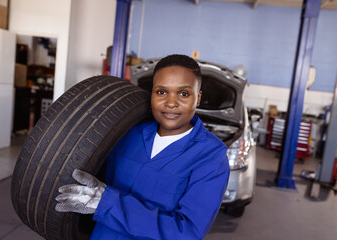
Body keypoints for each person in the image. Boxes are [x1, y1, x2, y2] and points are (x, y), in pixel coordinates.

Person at [55, 54, 230, 239]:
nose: (171, 103)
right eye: (161, 92)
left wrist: (107, 203)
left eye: (184, 94)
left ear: (198, 98)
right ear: (152, 93)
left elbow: (187, 232)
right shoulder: (127, 133)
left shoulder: (211, 157)